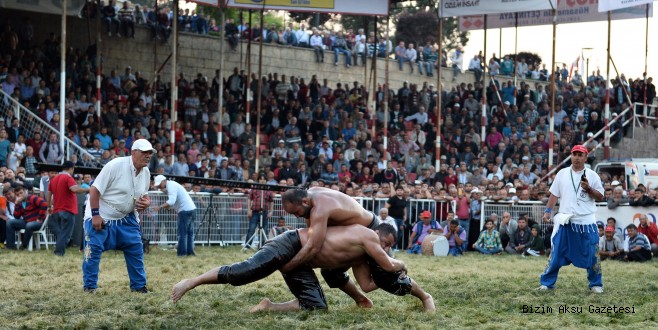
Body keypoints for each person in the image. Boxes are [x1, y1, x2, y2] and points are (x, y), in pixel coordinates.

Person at [171, 223, 435, 313]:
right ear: (378, 232)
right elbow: (390, 263)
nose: (384, 248)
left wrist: (375, 287)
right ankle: (190, 281)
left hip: (302, 263)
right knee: (244, 273)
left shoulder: (359, 256)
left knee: (317, 307)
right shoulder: (365, 233)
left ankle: (268, 306)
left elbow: (366, 284)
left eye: (388, 247)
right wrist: (401, 263)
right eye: (385, 242)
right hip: (290, 244)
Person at [82, 139, 154, 293]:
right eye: (144, 152)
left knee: (136, 248)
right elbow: (94, 190)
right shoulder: (115, 165)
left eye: (150, 153)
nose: (148, 156)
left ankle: (139, 286)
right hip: (101, 212)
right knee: (93, 249)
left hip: (126, 216)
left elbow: (145, 195)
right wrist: (95, 215)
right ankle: (89, 286)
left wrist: (147, 202)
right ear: (133, 153)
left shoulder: (146, 172)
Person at [538, 145, 604, 293]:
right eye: (575, 154)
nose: (577, 157)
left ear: (585, 157)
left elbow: (600, 196)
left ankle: (596, 284)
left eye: (580, 155)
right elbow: (554, 194)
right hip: (565, 221)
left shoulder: (593, 175)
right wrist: (548, 211)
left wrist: (588, 189)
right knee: (555, 254)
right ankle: (547, 283)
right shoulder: (562, 173)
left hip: (586, 222)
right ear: (571, 156)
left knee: (592, 254)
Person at [279, 187, 381, 273]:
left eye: (296, 212)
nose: (297, 216)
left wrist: (287, 267)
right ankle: (361, 298)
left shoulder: (319, 209)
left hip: (370, 229)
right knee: (330, 272)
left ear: (305, 202)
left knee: (384, 273)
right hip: (361, 228)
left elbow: (313, 247)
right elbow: (311, 236)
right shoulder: (310, 195)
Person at [46, 161, 89, 256]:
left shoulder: (54, 179)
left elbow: (48, 193)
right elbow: (75, 189)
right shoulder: (68, 177)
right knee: (65, 234)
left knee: (62, 233)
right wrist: (89, 189)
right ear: (71, 168)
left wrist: (49, 206)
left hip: (57, 209)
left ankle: (58, 251)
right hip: (67, 209)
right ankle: (59, 253)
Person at [152, 175, 197, 257]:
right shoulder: (173, 185)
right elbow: (173, 201)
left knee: (182, 233)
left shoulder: (171, 186)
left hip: (185, 210)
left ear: (164, 181)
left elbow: (171, 201)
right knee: (189, 233)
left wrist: (160, 207)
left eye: (159, 184)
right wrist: (168, 206)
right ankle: (190, 253)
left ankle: (182, 254)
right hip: (192, 209)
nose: (159, 186)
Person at [5, 185, 47, 250]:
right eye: (17, 194)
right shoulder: (19, 202)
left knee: (29, 225)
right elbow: (16, 217)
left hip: (37, 222)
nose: (20, 195)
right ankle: (10, 247)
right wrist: (16, 204)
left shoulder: (32, 198)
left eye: (21, 193)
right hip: (26, 221)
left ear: (25, 192)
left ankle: (24, 246)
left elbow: (44, 204)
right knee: (10, 223)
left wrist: (39, 217)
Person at [245, 174, 274, 248]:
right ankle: (247, 246)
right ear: (258, 180)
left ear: (266, 180)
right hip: (255, 212)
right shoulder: (254, 188)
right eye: (261, 179)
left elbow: (271, 201)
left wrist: (271, 211)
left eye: (264, 179)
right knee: (251, 229)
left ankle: (262, 246)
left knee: (264, 230)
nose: (262, 180)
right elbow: (249, 199)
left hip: (264, 212)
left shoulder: (268, 189)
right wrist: (249, 210)